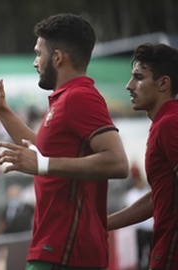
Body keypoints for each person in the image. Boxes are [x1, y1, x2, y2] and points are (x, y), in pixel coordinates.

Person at [0, 13, 128, 269]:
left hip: (66, 251)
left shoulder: (80, 97)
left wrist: (45, 165)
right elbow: (41, 152)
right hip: (54, 248)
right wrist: (2, 111)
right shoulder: (65, 99)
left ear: (58, 57)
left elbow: (117, 162)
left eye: (39, 54)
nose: (35, 63)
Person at [107, 43, 178, 270]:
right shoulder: (165, 122)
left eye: (138, 77)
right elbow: (156, 198)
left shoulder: (169, 123)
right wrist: (102, 224)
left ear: (163, 83)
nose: (129, 86)